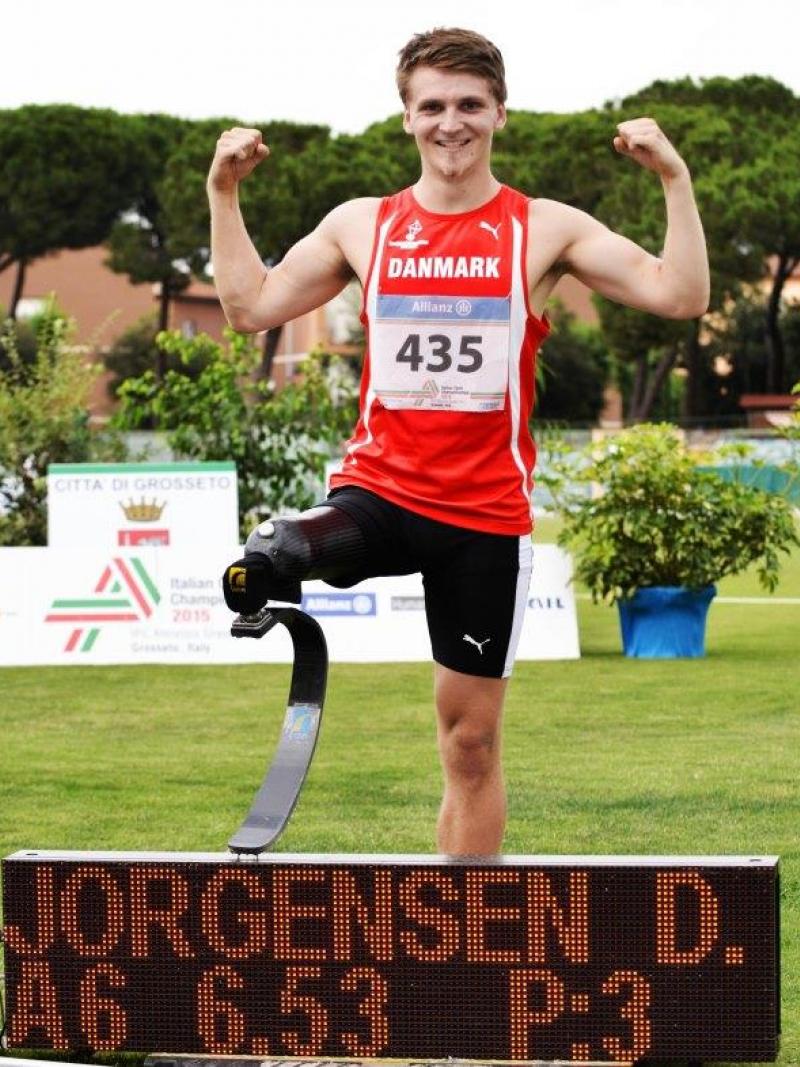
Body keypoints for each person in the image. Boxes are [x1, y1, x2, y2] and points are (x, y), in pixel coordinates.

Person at [208, 27, 709, 856]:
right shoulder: (363, 227)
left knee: (470, 744)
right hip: (378, 495)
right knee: (287, 546)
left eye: (470, 105)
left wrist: (674, 179)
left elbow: (682, 294)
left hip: (482, 522)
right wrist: (224, 194)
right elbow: (249, 307)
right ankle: (277, 551)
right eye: (432, 106)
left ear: (499, 114)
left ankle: (466, 943)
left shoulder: (543, 228)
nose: (452, 123)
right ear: (406, 117)